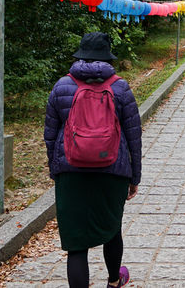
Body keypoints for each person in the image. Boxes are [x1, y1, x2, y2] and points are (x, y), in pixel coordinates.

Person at [45, 32, 142, 288]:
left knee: (77, 245)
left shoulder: (62, 86)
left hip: (71, 172)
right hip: (113, 171)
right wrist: (135, 176)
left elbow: (50, 135)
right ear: (107, 56)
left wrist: (56, 170)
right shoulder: (120, 87)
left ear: (80, 55)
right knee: (112, 229)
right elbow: (134, 137)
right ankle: (113, 281)